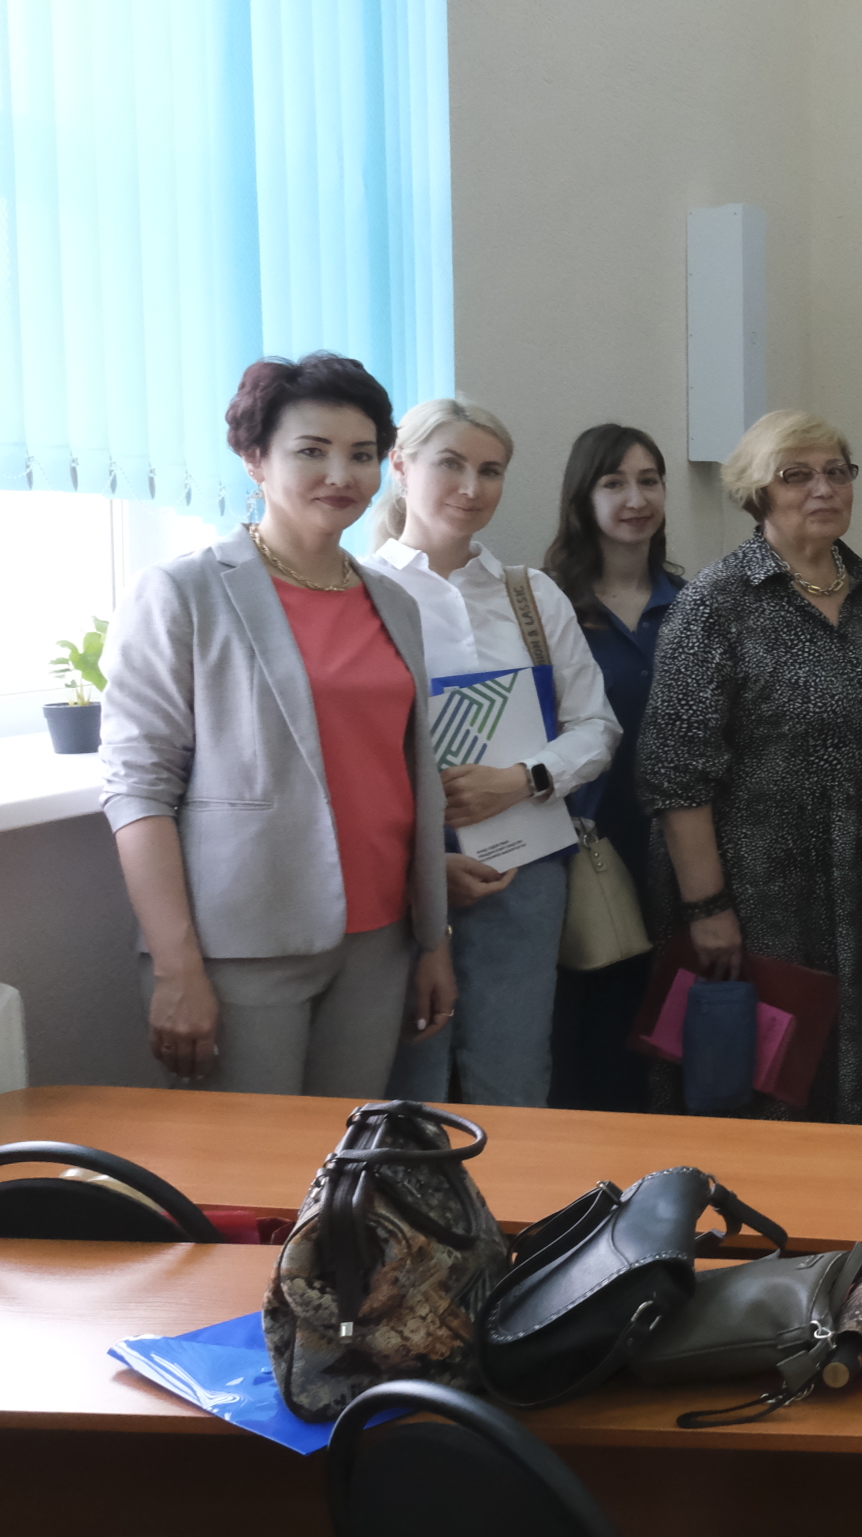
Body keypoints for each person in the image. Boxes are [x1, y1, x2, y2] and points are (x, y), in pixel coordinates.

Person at [102, 354, 453, 1097]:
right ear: (255, 459)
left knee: (345, 1159)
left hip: (381, 936)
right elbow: (138, 788)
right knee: (243, 1163)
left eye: (361, 454)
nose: (340, 475)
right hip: (241, 946)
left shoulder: (393, 602)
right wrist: (176, 968)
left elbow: (407, 776)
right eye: (311, 451)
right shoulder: (183, 591)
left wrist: (432, 939)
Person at [637, 410, 862, 1125]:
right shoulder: (716, 602)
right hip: (760, 894)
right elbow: (675, 773)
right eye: (797, 475)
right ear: (758, 492)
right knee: (771, 1087)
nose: (822, 489)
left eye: (836, 472)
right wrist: (707, 909)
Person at [371, 400, 619, 1109]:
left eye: (491, 471)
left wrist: (522, 779)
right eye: (450, 464)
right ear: (400, 467)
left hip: (524, 869)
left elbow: (597, 726)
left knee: (513, 1074)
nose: (471, 487)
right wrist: (423, 868)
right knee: (406, 1084)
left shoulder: (531, 596)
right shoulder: (362, 592)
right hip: (396, 879)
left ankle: (512, 1188)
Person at [542, 422, 685, 1111]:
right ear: (583, 497)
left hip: (681, 851)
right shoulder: (547, 609)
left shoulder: (692, 606)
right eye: (614, 483)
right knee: (586, 1040)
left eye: (649, 481)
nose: (636, 499)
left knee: (666, 1039)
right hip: (586, 851)